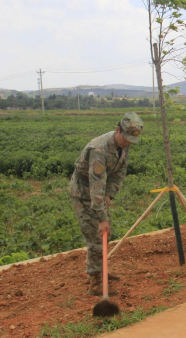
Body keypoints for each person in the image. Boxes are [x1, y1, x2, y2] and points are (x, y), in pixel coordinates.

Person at [69, 112, 143, 296]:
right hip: (83, 193)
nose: (127, 144)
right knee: (96, 236)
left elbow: (120, 172)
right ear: (118, 130)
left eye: (130, 141)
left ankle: (100, 270)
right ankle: (95, 283)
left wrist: (110, 195)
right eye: (125, 139)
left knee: (105, 234)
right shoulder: (99, 150)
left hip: (100, 193)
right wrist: (101, 217)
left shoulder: (123, 145)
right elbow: (96, 186)